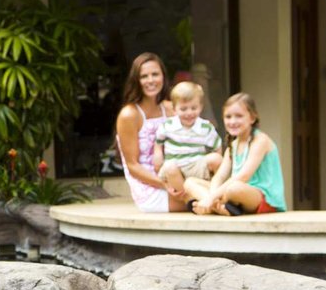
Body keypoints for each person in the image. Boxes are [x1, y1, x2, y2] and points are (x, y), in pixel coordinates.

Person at [184, 93, 287, 216]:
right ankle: (219, 207)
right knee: (190, 182)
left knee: (234, 188)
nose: (233, 121)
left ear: (252, 118)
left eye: (239, 116)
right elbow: (220, 176)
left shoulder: (260, 140)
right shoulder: (233, 145)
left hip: (262, 197)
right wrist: (212, 196)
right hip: (233, 193)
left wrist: (210, 198)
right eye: (228, 117)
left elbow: (243, 177)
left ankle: (211, 206)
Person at [116, 52, 188, 212]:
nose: (150, 80)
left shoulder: (170, 108)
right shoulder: (129, 114)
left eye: (155, 74)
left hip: (176, 175)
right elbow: (133, 166)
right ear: (136, 80)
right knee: (197, 201)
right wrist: (165, 184)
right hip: (151, 187)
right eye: (144, 76)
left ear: (163, 76)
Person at [153, 81, 223, 197]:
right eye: (183, 109)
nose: (189, 113)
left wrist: (213, 171)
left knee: (217, 158)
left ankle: (216, 192)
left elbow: (217, 147)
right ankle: (189, 198)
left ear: (200, 107)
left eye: (193, 108)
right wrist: (157, 154)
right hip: (175, 168)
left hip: (196, 166)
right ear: (174, 109)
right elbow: (158, 142)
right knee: (170, 167)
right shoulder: (168, 126)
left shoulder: (205, 127)